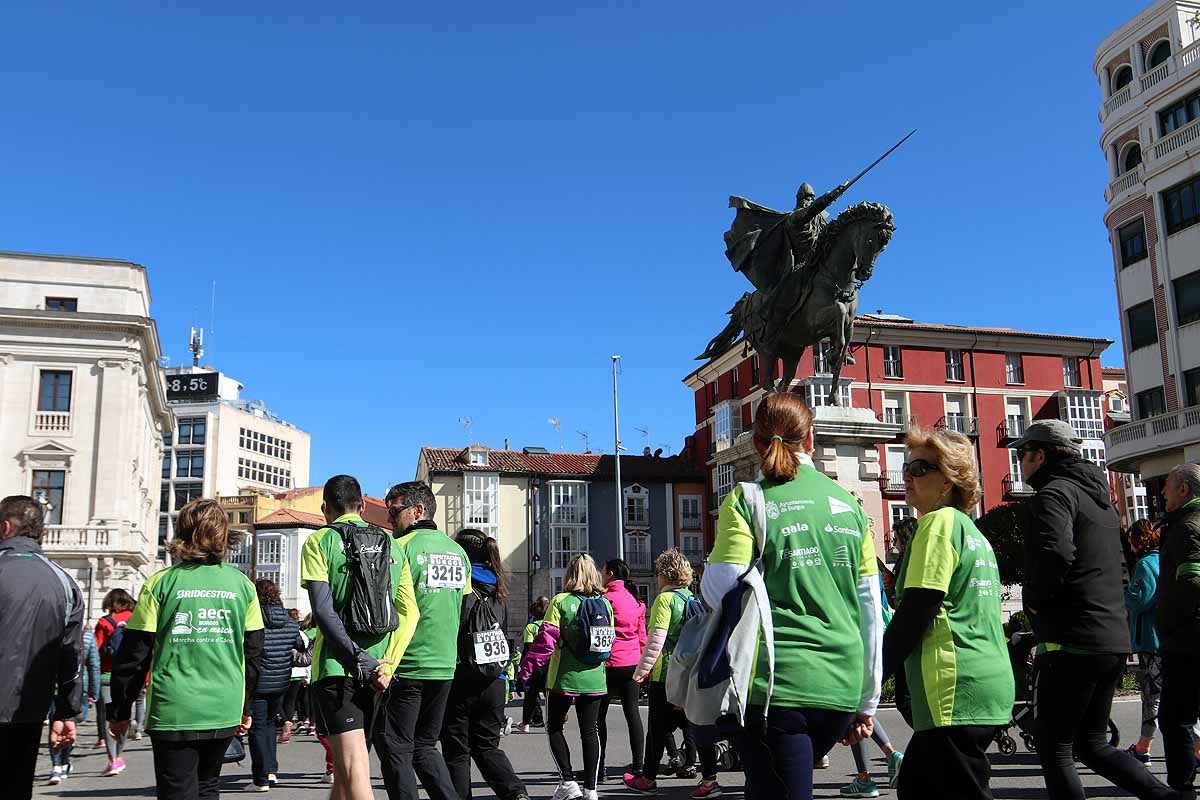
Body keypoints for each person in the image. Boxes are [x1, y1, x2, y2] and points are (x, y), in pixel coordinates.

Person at [701, 393, 882, 800]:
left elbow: (721, 586)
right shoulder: (848, 506)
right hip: (840, 686)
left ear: (758, 444)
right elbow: (871, 608)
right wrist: (866, 700)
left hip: (778, 688)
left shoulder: (749, 500)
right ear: (811, 439)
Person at [1010, 420, 1180, 800]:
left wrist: (1036, 606)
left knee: (1055, 748)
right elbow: (1120, 568)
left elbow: (1054, 555)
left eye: (1022, 453)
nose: (1020, 461)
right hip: (1111, 639)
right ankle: (1169, 797)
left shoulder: (1052, 496)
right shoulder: (1101, 501)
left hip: (1071, 641)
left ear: (1041, 454)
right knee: (1093, 744)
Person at [881, 426, 1014, 800]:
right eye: (906, 467)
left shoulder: (937, 525)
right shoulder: (971, 531)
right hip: (983, 683)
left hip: (954, 688)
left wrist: (869, 680)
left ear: (948, 479)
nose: (907, 475)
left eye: (920, 468)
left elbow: (917, 611)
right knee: (920, 787)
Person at [106, 498, 264, 800]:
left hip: (174, 707)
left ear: (183, 532)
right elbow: (253, 654)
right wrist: (246, 707)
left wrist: (120, 710)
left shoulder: (161, 584)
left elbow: (134, 655)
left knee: (177, 789)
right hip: (224, 705)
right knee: (207, 785)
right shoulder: (243, 586)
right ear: (223, 535)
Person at [300, 475, 416, 800]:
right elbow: (410, 613)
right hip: (380, 669)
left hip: (339, 670)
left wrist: (359, 661)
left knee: (355, 772)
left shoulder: (319, 541)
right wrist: (385, 665)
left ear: (325, 509)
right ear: (363, 505)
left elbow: (323, 612)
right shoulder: (392, 543)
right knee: (345, 772)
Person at [377, 480, 470, 800]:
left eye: (394, 511)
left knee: (396, 748)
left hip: (406, 663)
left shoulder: (400, 549)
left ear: (418, 511)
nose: (389, 518)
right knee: (425, 746)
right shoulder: (458, 552)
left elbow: (383, 605)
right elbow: (462, 604)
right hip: (444, 664)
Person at [0, 496, 84, 800]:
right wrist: (66, 711)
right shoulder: (64, 582)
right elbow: (72, 656)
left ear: (5, 527)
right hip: (30, 710)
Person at [440, 530, 529, 800]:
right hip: (494, 679)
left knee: (457, 751)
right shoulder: (499, 587)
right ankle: (515, 794)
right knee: (487, 747)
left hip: (461, 675)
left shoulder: (458, 586)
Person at [519, 553, 614, 800]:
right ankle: (591, 789)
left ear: (570, 574)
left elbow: (545, 642)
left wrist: (527, 670)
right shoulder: (604, 604)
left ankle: (568, 780)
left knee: (554, 728)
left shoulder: (560, 601)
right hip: (595, 678)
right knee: (590, 731)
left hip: (563, 678)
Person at [624, 550, 702, 794]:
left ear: (665, 574)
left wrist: (641, 670)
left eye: (658, 572)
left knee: (657, 729)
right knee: (690, 722)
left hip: (666, 672)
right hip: (691, 671)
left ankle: (647, 778)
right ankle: (695, 766)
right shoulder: (692, 598)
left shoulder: (665, 600)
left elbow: (656, 639)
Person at [1157, 463, 1200, 791]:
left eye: (1168, 486)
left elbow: (1191, 582)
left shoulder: (1187, 528)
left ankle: (1181, 789)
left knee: (1176, 719)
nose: (1162, 492)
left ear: (1184, 490)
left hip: (1187, 641)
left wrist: (1171, 624)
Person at [249, 578, 304, 791]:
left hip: (258, 681)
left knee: (257, 727)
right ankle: (271, 771)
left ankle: (261, 778)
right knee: (271, 725)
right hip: (282, 681)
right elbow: (299, 644)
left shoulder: (253, 618)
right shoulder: (291, 622)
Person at [599, 558, 646, 783]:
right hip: (632, 662)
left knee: (599, 717)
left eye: (602, 571)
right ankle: (638, 765)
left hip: (608, 663)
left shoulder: (604, 599)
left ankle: (599, 767)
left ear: (609, 574)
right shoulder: (636, 601)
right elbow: (642, 637)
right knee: (632, 714)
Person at [1124, 519, 1164, 764]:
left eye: (1131, 541)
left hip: (1151, 640)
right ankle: (1142, 746)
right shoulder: (1166, 559)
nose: (1130, 547)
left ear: (1140, 540)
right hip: (1168, 637)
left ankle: (1143, 748)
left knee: (1153, 696)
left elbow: (1139, 599)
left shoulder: (1146, 565)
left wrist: (1124, 595)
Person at [49, 625, 101, 786]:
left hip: (54, 688)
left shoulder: (51, 636)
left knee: (55, 724)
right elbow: (94, 665)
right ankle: (63, 762)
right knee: (71, 725)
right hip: (79, 688)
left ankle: (57, 766)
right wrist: (94, 691)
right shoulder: (86, 635)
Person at [94, 587, 136, 775]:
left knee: (109, 717)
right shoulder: (135, 619)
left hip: (107, 675)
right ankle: (119, 754)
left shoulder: (105, 622)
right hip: (130, 676)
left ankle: (114, 758)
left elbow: (96, 651)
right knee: (124, 715)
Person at [514, 597, 550, 733]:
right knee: (550, 694)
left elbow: (527, 648)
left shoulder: (531, 627)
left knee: (530, 694)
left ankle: (526, 723)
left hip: (535, 664)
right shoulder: (551, 625)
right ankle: (555, 720)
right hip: (550, 662)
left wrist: (522, 667)